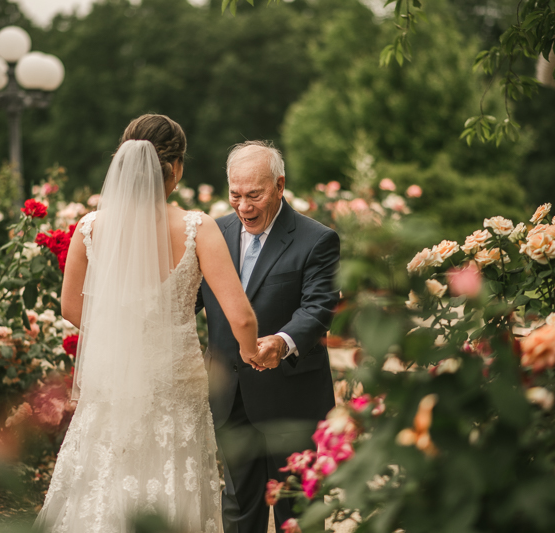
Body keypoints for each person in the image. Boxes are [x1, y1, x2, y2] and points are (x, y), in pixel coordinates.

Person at [34, 115, 260, 533]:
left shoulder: (89, 228)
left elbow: (69, 307)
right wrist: (253, 351)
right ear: (174, 169)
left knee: (104, 478)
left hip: (113, 380)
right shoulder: (197, 227)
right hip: (175, 380)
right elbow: (241, 315)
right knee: (174, 481)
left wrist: (121, 333)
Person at [196, 141, 340, 532]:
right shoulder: (212, 235)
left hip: (293, 399)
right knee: (239, 509)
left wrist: (282, 342)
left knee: (299, 511)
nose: (244, 207)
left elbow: (318, 307)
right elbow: (185, 299)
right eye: (236, 195)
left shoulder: (317, 239)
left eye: (255, 195)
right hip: (230, 396)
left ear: (279, 185)